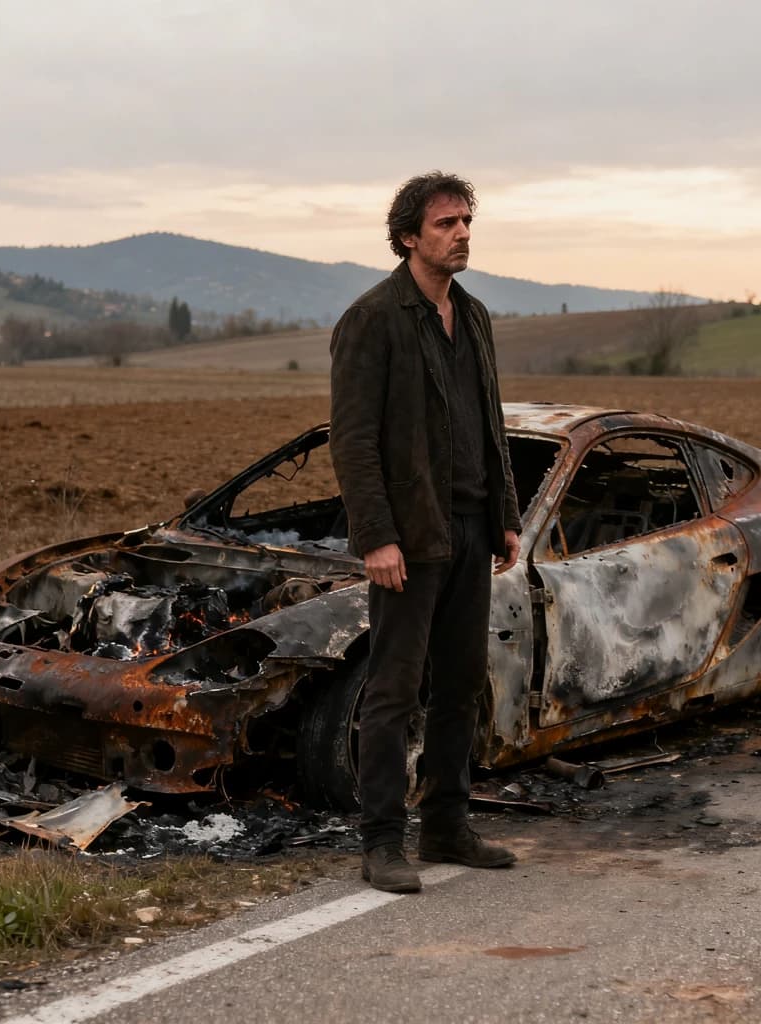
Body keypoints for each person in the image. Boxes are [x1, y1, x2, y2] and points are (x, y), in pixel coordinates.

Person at [329, 171, 522, 893]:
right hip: (410, 538)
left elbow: (489, 421)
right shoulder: (373, 319)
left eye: (467, 221)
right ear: (409, 236)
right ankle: (381, 841)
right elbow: (352, 441)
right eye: (446, 224)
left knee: (462, 684)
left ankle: (446, 824)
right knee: (394, 689)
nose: (462, 233)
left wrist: (505, 514)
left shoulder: (472, 316)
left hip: (472, 528)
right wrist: (375, 537)